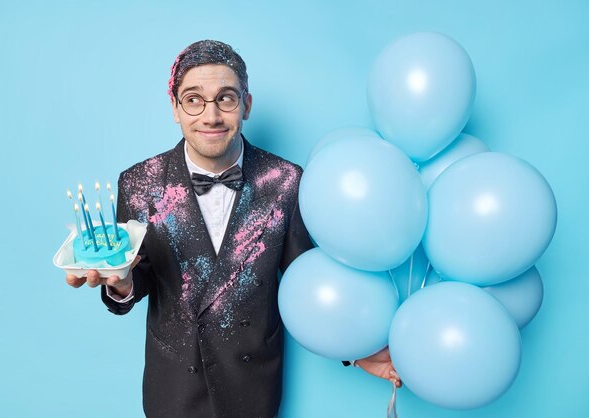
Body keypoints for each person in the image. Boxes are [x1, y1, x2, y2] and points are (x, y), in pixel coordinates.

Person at [65, 40, 400, 418]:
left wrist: (355, 352)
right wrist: (121, 283)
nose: (210, 116)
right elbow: (137, 277)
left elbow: (306, 288)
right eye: (193, 99)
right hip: (172, 389)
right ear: (174, 108)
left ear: (246, 105)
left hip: (252, 388)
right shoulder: (139, 182)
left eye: (225, 98)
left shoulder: (287, 182)